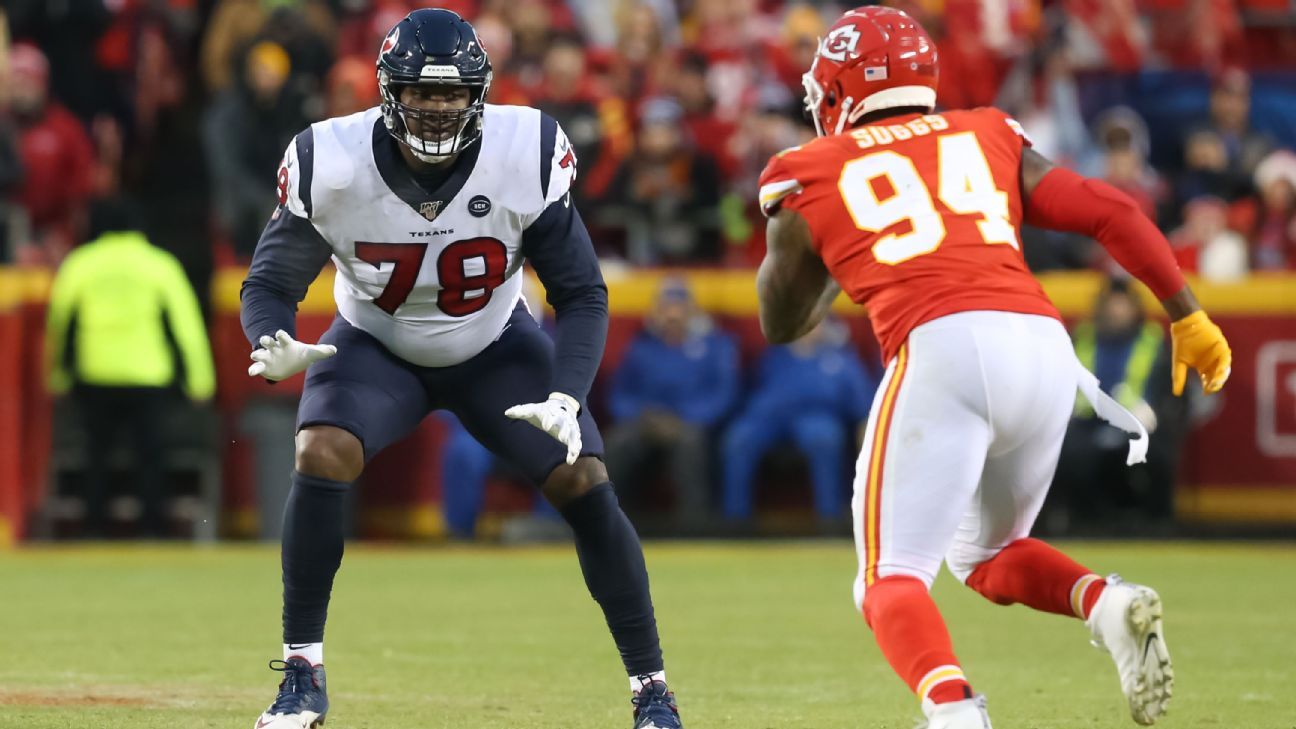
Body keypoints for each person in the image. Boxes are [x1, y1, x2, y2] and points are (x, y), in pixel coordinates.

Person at [755, 8, 1232, 729]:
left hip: (941, 347)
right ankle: (1105, 603)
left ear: (838, 89)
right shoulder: (986, 131)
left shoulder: (810, 169)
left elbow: (781, 320)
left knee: (888, 578)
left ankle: (954, 713)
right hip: (1041, 345)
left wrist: (826, 245)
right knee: (984, 554)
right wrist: (1187, 314)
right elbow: (1109, 209)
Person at [239, 10, 681, 729]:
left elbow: (581, 291)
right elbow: (268, 285)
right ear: (389, 93)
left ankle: (651, 688)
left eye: (450, 95)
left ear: (479, 94)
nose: (437, 109)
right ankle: (301, 671)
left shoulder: (522, 149)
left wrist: (569, 394)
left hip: (495, 345)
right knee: (321, 448)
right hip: (374, 344)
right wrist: (271, 337)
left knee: (583, 475)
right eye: (420, 93)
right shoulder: (335, 160)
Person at [44, 197, 216, 537]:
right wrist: (200, 382)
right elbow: (187, 327)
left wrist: (58, 377)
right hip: (148, 375)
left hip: (96, 374)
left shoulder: (80, 263)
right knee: (151, 456)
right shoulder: (159, 264)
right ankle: (152, 530)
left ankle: (93, 530)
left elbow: (60, 323)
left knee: (96, 455)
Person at [604, 277, 739, 527]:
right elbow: (620, 394)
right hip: (646, 422)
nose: (673, 316)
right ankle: (611, 523)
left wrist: (684, 419)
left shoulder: (716, 345)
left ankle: (695, 523)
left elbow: (723, 394)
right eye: (667, 309)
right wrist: (642, 416)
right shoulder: (641, 346)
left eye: (679, 309)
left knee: (690, 444)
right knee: (618, 443)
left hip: (690, 424)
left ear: (692, 311)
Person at [1051, 280, 1180, 532]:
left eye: (1123, 305)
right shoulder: (1084, 335)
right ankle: (1085, 523)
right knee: (1070, 454)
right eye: (1112, 304)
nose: (1117, 311)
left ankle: (1157, 526)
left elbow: (1169, 389)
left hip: (1137, 421)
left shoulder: (1151, 339)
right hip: (1088, 421)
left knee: (1155, 454)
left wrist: (1154, 411)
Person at [720, 317, 876, 525]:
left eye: (816, 323)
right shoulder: (776, 354)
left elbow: (861, 401)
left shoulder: (839, 358)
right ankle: (735, 520)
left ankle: (829, 518)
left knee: (824, 438)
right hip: (768, 417)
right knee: (739, 438)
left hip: (815, 414)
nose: (809, 328)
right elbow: (752, 389)